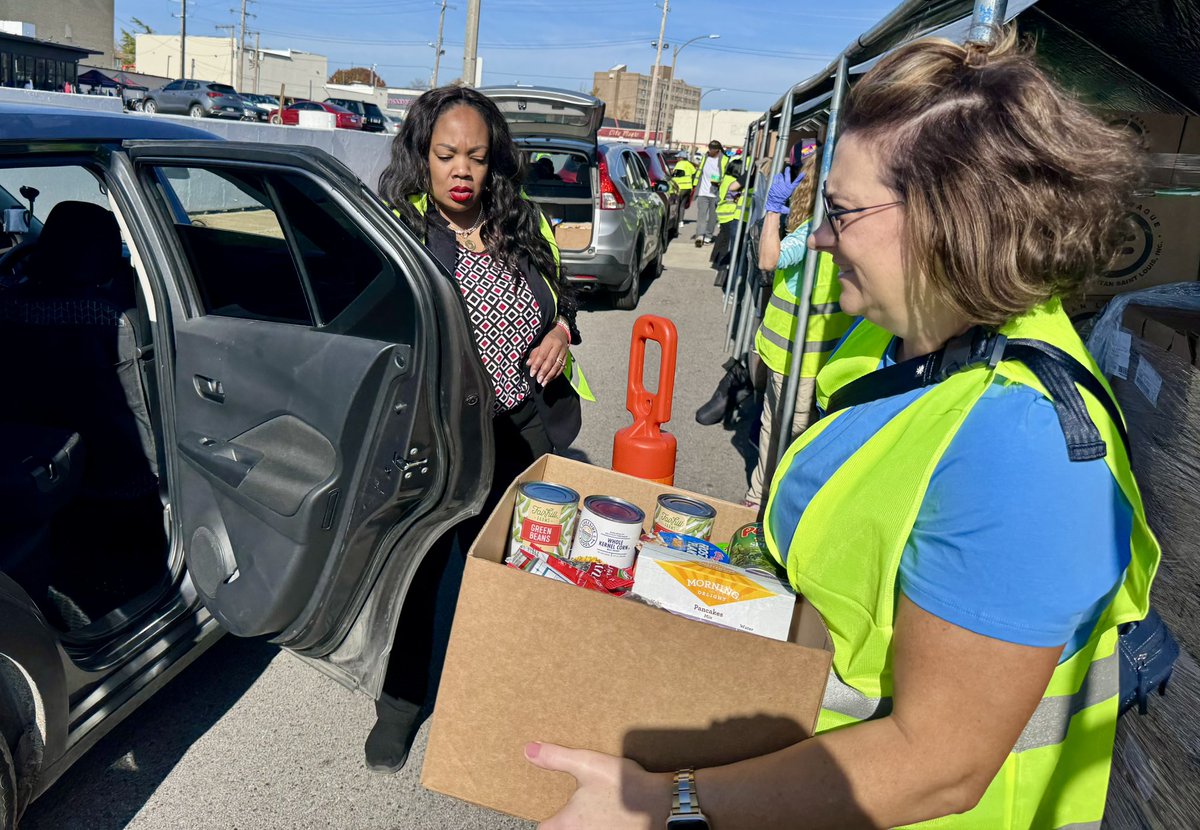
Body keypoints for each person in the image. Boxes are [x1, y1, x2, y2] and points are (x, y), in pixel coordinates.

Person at [526, 29, 1159, 829]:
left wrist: (672, 803)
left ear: (947, 217)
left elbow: (939, 765)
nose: (820, 239)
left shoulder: (1021, 441)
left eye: (843, 212)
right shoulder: (902, 346)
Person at [370, 84, 589, 774]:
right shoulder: (397, 229)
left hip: (524, 427)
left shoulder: (520, 221)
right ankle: (402, 703)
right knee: (427, 570)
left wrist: (560, 329)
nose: (462, 171)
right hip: (438, 439)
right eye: (446, 155)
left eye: (476, 157)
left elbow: (564, 292)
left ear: (494, 162)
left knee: (506, 571)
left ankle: (486, 698)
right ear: (422, 158)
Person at [742, 139, 853, 507]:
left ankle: (765, 502)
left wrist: (773, 209)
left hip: (807, 361)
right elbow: (769, 260)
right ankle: (762, 501)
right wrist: (774, 211)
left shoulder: (821, 232)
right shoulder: (817, 232)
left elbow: (768, 260)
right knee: (785, 435)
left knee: (785, 436)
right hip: (798, 360)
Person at [692, 140, 728, 246]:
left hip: (716, 192)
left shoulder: (724, 159)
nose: (710, 150)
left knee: (713, 217)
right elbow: (700, 172)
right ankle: (700, 235)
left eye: (712, 149)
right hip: (703, 191)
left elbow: (725, 175)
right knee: (701, 215)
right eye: (709, 148)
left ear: (717, 150)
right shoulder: (705, 157)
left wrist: (720, 183)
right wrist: (695, 186)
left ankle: (708, 236)